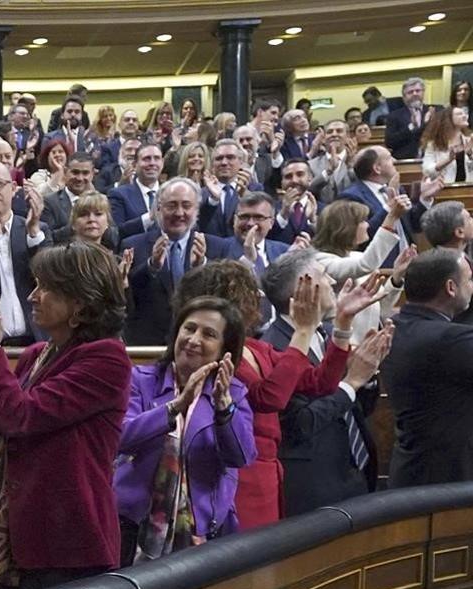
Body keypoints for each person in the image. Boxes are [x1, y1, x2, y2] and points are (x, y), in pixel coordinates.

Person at [0, 242, 131, 589]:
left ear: (80, 303)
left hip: (68, 545)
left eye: (45, 287)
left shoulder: (108, 359)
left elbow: (22, 416)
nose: (33, 296)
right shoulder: (37, 354)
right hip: (18, 534)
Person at [171, 259, 379, 530]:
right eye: (249, 293)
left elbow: (319, 382)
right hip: (241, 474)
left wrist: (342, 326)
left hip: (269, 472)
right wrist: (303, 330)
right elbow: (270, 398)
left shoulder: (256, 347)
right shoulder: (222, 357)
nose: (258, 298)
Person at [114, 296, 257, 563]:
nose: (194, 339)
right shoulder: (141, 380)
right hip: (131, 526)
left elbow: (241, 456)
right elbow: (119, 437)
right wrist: (174, 407)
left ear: (225, 348)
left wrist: (224, 407)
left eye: (209, 334)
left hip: (200, 530)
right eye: (189, 328)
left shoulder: (233, 392)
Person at [261, 251, 390, 514]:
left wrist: (366, 378)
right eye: (322, 274)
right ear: (302, 290)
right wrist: (352, 383)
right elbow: (299, 424)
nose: (332, 280)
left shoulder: (330, 333)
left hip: (351, 470)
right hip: (313, 484)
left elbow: (355, 407)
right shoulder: (274, 346)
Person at [381, 248, 473, 487]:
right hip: (446, 484)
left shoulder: (395, 326)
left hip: (411, 471)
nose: (472, 287)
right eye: (469, 280)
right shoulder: (450, 339)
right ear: (451, 288)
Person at [121, 178, 230, 346]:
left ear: (197, 210)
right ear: (158, 209)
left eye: (186, 206)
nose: (179, 213)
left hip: (198, 344)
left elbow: (223, 298)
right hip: (147, 344)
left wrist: (202, 266)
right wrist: (152, 266)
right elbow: (128, 297)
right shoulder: (133, 245)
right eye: (171, 206)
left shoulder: (216, 246)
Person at [0, 160, 52, 346]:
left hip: (36, 339)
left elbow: (49, 279)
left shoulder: (38, 228)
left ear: (13, 188)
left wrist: (33, 233)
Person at [312, 199, 413, 342]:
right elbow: (364, 265)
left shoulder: (357, 256)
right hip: (341, 348)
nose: (367, 225)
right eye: (362, 221)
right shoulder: (321, 261)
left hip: (368, 347)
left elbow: (380, 308)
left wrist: (396, 277)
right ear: (346, 228)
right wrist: (391, 218)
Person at [108, 142, 162, 240]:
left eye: (157, 158)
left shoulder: (171, 194)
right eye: (146, 159)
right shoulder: (118, 194)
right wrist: (149, 218)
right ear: (134, 164)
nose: (152, 163)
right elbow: (115, 234)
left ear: (162, 163)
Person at [385, 77, 435, 160]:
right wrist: (411, 127)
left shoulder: (435, 111)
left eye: (418, 91)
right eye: (410, 92)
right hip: (406, 160)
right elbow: (390, 142)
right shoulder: (394, 115)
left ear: (423, 92)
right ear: (404, 97)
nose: (414, 94)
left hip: (433, 159)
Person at [421, 105, 471, 183]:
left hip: (468, 189)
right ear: (449, 119)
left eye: (464, 113)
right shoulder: (434, 144)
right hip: (444, 189)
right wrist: (448, 160)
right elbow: (427, 171)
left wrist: (470, 154)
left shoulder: (470, 141)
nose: (465, 116)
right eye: (459, 114)